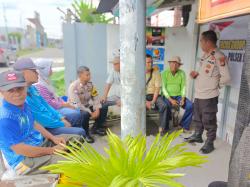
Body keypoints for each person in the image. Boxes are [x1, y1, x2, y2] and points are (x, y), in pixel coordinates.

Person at [0, 70, 79, 175]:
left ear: (25, 87)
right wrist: (52, 150)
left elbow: (34, 123)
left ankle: (62, 173)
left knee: (76, 139)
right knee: (70, 162)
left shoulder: (23, 104)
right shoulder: (5, 119)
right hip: (24, 160)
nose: (17, 94)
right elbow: (21, 150)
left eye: (20, 88)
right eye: (10, 90)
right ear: (1, 91)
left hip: (39, 144)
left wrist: (53, 138)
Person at [13, 58, 86, 139]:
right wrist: (60, 123)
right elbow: (40, 119)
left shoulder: (32, 88)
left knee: (76, 117)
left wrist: (60, 117)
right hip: (45, 129)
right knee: (80, 132)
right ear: (24, 72)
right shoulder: (21, 97)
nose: (37, 73)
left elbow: (46, 106)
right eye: (34, 71)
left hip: (51, 121)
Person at [185, 30, 231, 154]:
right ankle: (198, 135)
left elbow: (226, 77)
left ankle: (209, 142)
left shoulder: (219, 56)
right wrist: (196, 75)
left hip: (209, 96)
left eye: (201, 41)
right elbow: (207, 74)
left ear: (207, 42)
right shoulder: (206, 55)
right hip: (199, 94)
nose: (200, 43)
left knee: (209, 119)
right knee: (198, 117)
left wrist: (216, 86)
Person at [33, 58, 94, 143]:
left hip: (57, 108)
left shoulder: (46, 81)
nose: (51, 70)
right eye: (50, 68)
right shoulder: (39, 85)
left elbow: (55, 97)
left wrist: (64, 103)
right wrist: (66, 105)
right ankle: (76, 134)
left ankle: (81, 133)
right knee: (77, 113)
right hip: (55, 110)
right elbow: (49, 103)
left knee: (79, 112)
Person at [68, 66, 108, 136]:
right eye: (87, 75)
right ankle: (86, 133)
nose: (90, 76)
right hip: (77, 108)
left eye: (89, 74)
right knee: (85, 114)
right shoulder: (73, 87)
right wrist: (91, 113)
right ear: (80, 75)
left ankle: (96, 128)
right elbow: (78, 105)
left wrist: (97, 109)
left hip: (86, 105)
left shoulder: (90, 84)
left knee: (104, 106)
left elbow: (95, 97)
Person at [161, 56, 193, 132]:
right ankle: (165, 127)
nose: (174, 66)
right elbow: (163, 88)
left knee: (190, 106)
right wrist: (170, 99)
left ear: (179, 65)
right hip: (168, 96)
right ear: (169, 64)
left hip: (178, 96)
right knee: (166, 106)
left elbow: (183, 87)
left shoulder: (182, 73)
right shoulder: (164, 73)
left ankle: (183, 125)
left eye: (176, 64)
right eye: (172, 63)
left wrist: (183, 98)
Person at [145, 54, 169, 135]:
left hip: (154, 95)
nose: (150, 64)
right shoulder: (138, 73)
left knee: (164, 106)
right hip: (142, 96)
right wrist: (145, 102)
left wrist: (152, 102)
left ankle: (162, 128)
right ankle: (138, 128)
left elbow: (157, 89)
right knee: (135, 106)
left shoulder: (156, 72)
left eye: (151, 62)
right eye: (148, 62)